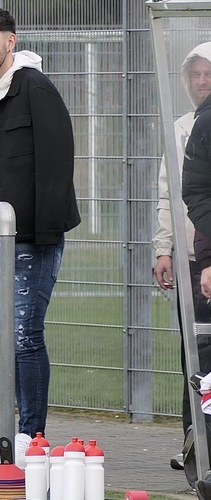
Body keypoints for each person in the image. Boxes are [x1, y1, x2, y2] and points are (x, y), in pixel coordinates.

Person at [0, 8, 80, 442]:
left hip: (27, 237)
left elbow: (55, 163)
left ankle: (31, 438)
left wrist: (41, 231)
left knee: (26, 336)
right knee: (9, 339)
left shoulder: (34, 87)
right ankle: (14, 437)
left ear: (11, 41)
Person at [154, 42, 211, 477]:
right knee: (193, 355)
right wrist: (163, 248)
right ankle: (193, 444)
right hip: (192, 257)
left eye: (208, 73)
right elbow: (168, 192)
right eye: (195, 74)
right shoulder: (178, 128)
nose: (201, 81)